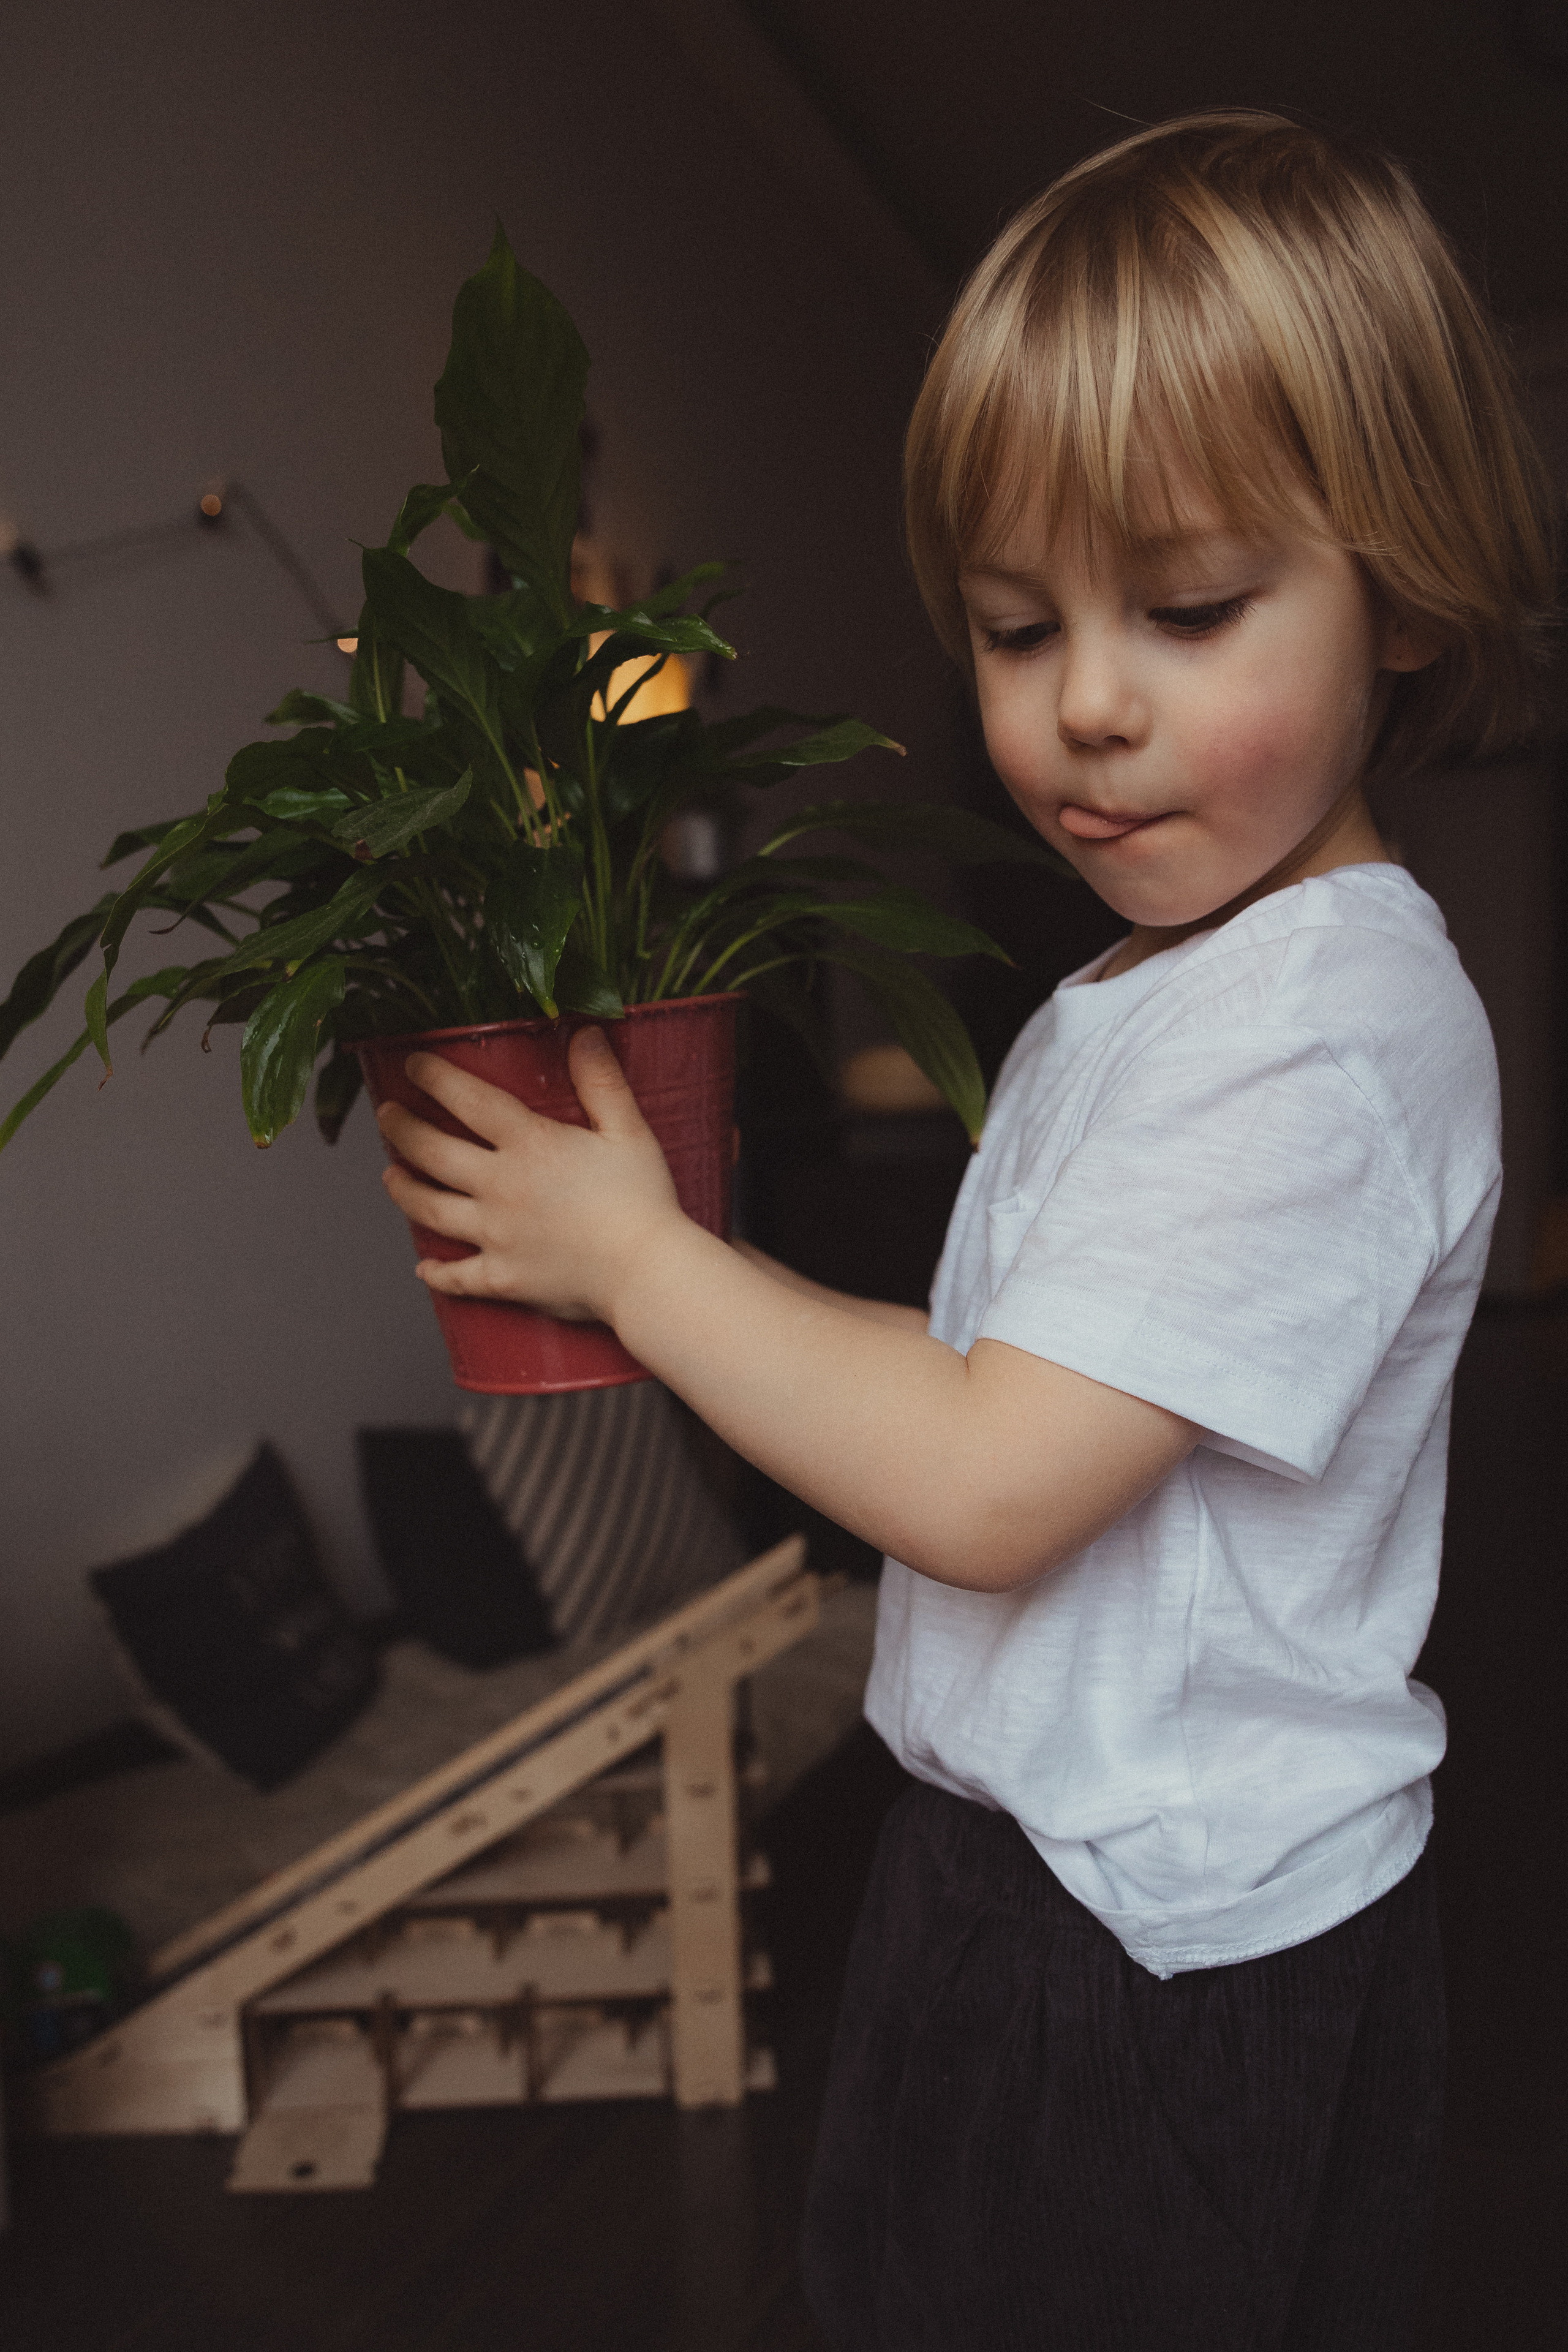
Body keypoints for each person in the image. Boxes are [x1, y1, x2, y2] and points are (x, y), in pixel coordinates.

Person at [374, 113, 1555, 2351]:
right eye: (1019, 628)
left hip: (1166, 1933)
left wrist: (639, 1259)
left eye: (1189, 611)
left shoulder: (1326, 1025)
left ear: (1401, 590)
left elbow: (988, 1481)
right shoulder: (1161, 976)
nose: (1085, 699)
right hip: (1029, 1853)